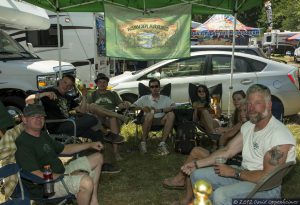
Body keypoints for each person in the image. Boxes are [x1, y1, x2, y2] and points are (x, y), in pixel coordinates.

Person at [180, 84, 296, 205]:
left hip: (265, 188)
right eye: (249, 103)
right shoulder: (249, 126)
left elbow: (267, 177)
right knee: (197, 174)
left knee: (220, 195)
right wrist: (196, 164)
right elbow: (227, 151)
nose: (251, 108)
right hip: (243, 173)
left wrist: (234, 173)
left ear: (269, 105)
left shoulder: (279, 135)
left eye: (257, 103)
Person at [25, 74, 121, 173]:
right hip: (57, 125)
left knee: (96, 133)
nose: (66, 86)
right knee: (92, 118)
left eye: (69, 85)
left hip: (70, 124)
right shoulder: (49, 91)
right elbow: (28, 100)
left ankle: (102, 163)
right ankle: (107, 133)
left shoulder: (68, 97)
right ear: (60, 81)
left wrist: (84, 97)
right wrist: (43, 94)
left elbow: (82, 111)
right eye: (65, 82)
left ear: (71, 88)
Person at [15, 104, 103, 205]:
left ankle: (93, 201)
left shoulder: (43, 135)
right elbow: (36, 174)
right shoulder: (23, 143)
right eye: (34, 117)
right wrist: (67, 176)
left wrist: (90, 144)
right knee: (86, 182)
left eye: (41, 116)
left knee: (98, 157)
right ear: (24, 120)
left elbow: (64, 149)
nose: (39, 119)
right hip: (46, 186)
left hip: (61, 172)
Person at [162, 97, 247, 197]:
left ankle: (181, 181)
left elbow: (224, 140)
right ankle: (181, 181)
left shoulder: (244, 126)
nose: (242, 114)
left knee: (196, 154)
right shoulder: (242, 124)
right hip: (227, 156)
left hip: (231, 161)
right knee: (196, 152)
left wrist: (226, 133)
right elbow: (224, 141)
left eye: (245, 110)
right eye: (241, 111)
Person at [86, 73, 131, 161]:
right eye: (100, 82)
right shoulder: (92, 94)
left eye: (104, 82)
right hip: (97, 118)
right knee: (93, 106)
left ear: (107, 83)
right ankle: (120, 116)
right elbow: (89, 108)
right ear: (97, 84)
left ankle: (116, 152)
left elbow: (121, 105)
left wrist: (126, 103)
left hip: (110, 119)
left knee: (113, 118)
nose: (102, 84)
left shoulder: (113, 94)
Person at [132, 78, 175, 155]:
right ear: (149, 88)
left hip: (161, 120)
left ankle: (162, 144)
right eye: (152, 87)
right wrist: (142, 108)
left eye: (156, 86)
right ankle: (143, 143)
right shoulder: (144, 98)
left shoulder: (165, 98)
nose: (154, 88)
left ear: (159, 88)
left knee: (171, 114)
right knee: (150, 114)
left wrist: (159, 110)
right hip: (147, 120)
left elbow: (174, 106)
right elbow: (133, 106)